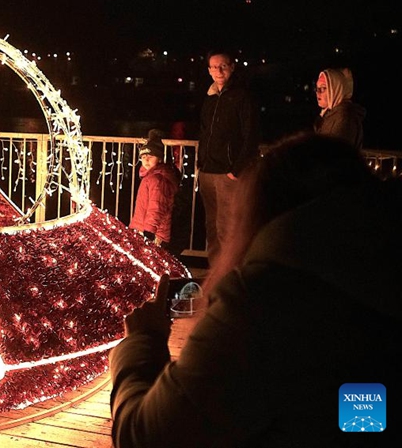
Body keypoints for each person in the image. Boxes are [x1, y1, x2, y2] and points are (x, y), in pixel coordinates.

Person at [109, 133, 402, 447]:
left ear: (260, 211)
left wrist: (142, 342)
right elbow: (360, 417)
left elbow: (145, 436)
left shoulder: (259, 304)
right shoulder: (378, 275)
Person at [197, 49, 261, 265]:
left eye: (222, 65)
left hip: (227, 173)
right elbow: (205, 131)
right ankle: (216, 271)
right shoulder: (210, 97)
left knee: (227, 227)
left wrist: (236, 169)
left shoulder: (241, 97)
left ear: (232, 67)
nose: (218, 70)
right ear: (208, 70)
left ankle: (230, 272)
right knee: (211, 227)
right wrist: (200, 164)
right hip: (207, 171)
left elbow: (250, 134)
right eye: (214, 67)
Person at [129, 130, 180, 249]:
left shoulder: (157, 180)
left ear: (159, 159)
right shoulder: (149, 177)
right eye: (143, 157)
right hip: (144, 229)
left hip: (154, 234)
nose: (146, 160)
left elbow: (156, 207)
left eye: (150, 157)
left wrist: (149, 232)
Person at [314, 67, 366, 149]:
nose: (318, 93)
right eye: (317, 88)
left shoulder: (344, 117)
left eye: (323, 88)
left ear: (335, 89)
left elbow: (336, 153)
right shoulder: (329, 115)